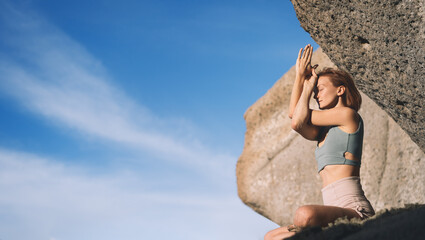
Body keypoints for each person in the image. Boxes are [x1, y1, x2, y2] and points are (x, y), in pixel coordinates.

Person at [264, 44, 375, 240]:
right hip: (332, 211)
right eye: (315, 90)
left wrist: (307, 86)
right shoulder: (322, 130)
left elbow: (297, 121)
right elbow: (295, 117)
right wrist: (299, 77)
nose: (316, 94)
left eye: (320, 89)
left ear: (340, 90)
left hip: (355, 209)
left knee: (304, 215)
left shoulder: (348, 116)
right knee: (271, 237)